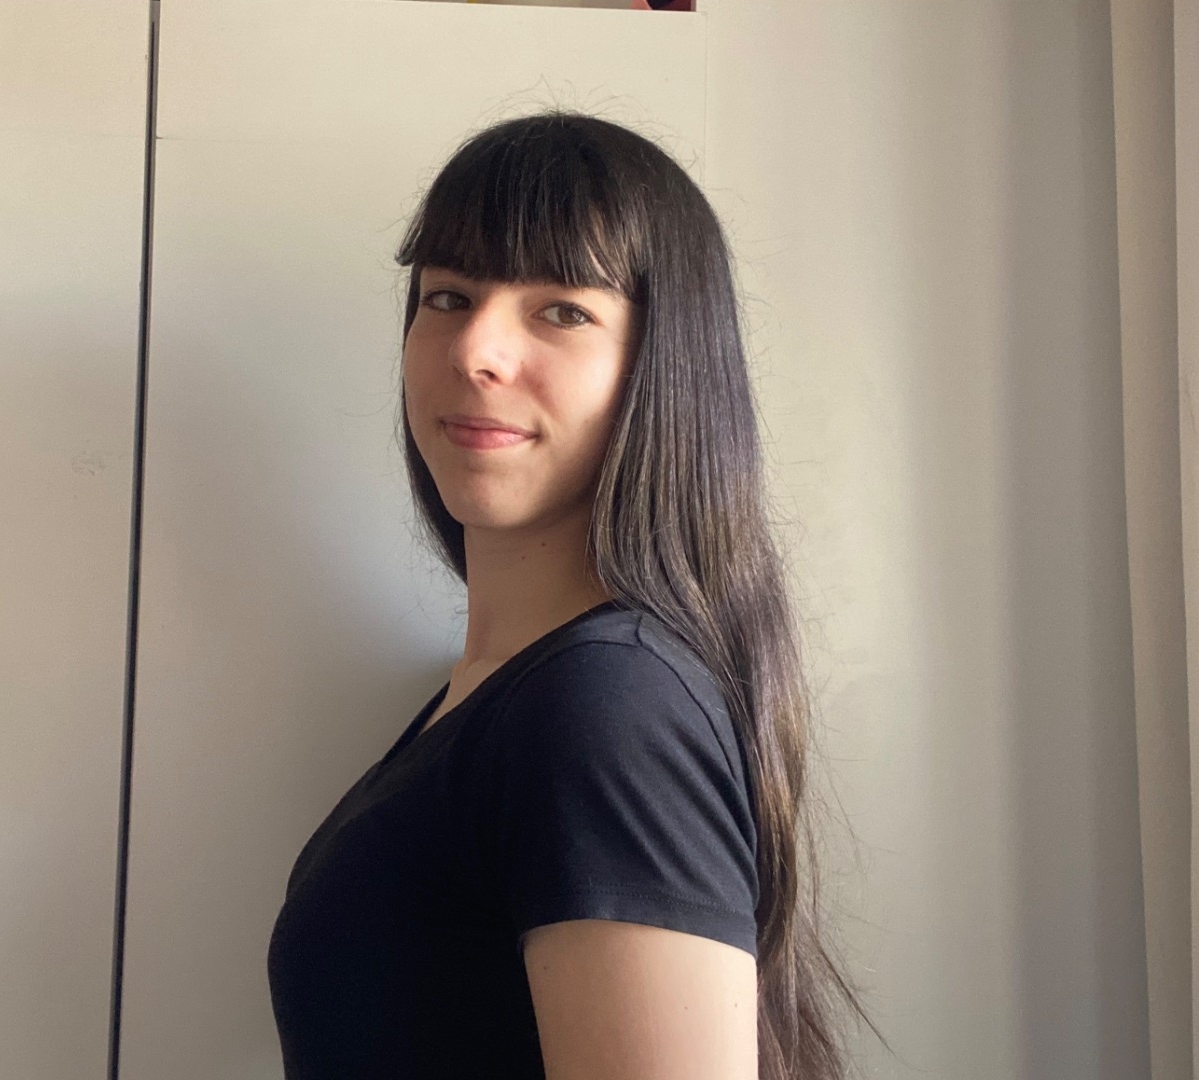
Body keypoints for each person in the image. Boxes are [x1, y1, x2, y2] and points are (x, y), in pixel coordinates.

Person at [267, 109, 875, 1080]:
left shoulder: (604, 707)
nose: (475, 350)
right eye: (448, 296)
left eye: (561, 310)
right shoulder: (498, 692)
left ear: (660, 364)